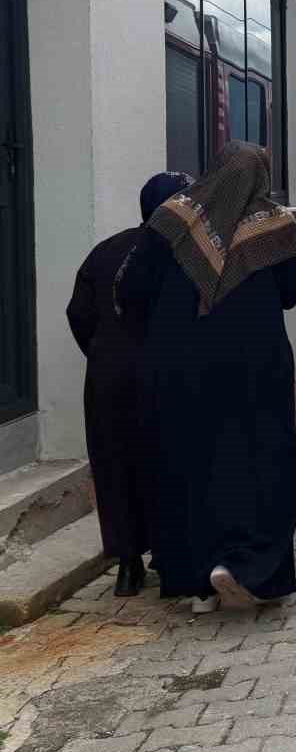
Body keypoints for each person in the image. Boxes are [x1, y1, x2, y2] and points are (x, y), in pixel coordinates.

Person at [116, 142, 296, 613]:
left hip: (179, 367)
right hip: (255, 370)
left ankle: (197, 580)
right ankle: (250, 568)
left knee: (190, 463)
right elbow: (291, 294)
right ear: (260, 178)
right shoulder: (273, 226)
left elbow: (134, 289)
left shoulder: (172, 218)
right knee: (261, 463)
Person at [65, 171, 192, 596]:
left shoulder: (106, 250)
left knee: (116, 465)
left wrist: (103, 354)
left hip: (108, 379)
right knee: (166, 462)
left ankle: (127, 565)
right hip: (163, 375)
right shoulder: (181, 253)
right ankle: (168, 557)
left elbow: (78, 313)